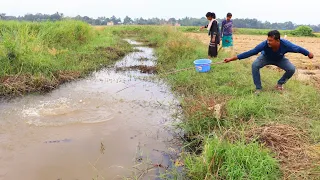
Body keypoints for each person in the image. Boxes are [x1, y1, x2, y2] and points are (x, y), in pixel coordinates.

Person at [224, 30, 314, 94]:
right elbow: (250, 52)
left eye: (270, 40)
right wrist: (231, 59)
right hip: (265, 57)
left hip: (279, 59)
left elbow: (298, 48)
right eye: (267, 40)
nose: (268, 42)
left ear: (278, 40)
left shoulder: (286, 45)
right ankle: (258, 88)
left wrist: (308, 53)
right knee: (255, 65)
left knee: (291, 69)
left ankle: (280, 84)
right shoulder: (264, 44)